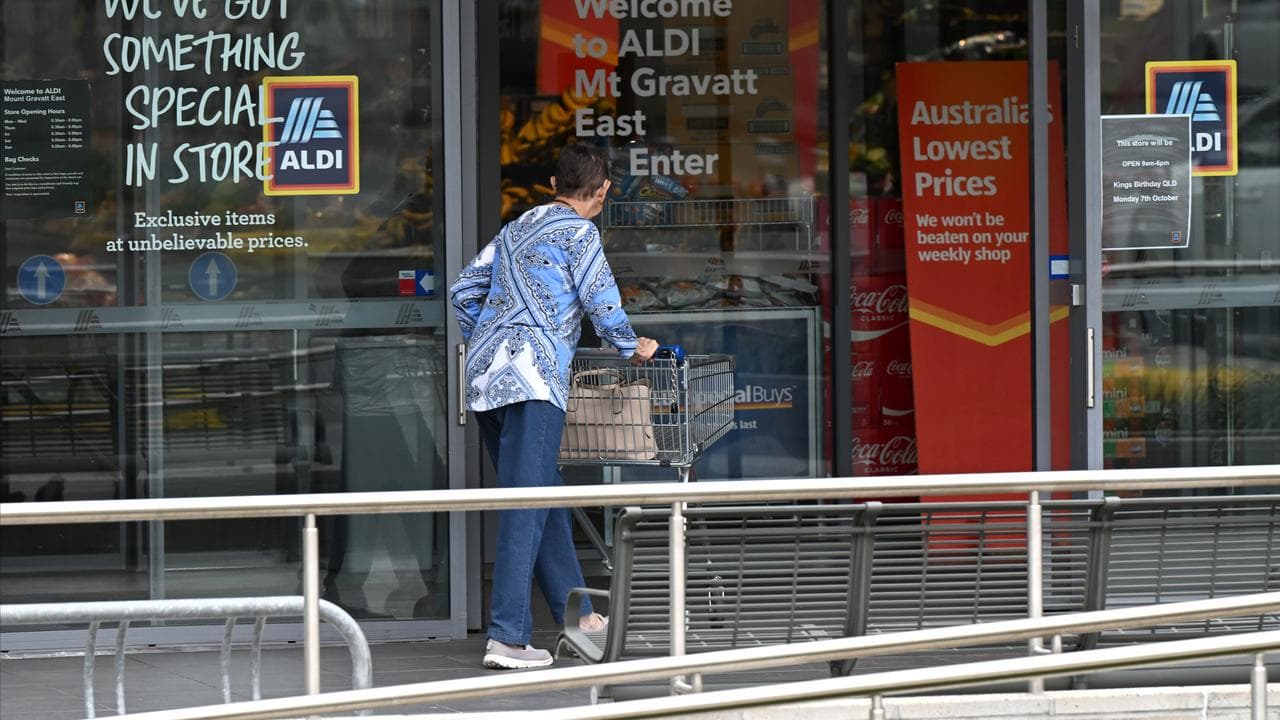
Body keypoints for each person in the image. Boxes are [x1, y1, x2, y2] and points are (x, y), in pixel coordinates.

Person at [449, 143, 659, 669]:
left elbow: (462, 290)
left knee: (540, 491)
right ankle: (508, 637)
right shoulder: (580, 233)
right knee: (527, 502)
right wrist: (631, 345)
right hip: (535, 380)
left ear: (551, 183)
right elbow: (601, 299)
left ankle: (582, 613)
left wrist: (493, 341)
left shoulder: (518, 227)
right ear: (604, 190)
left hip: (485, 378)